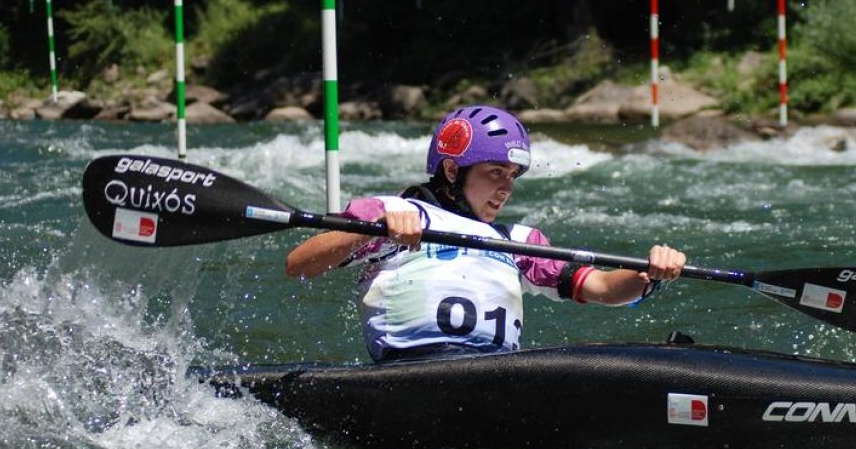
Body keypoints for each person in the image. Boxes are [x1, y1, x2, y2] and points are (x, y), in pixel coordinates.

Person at [286, 105, 687, 361]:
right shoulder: (396, 212)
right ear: (450, 170)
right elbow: (299, 265)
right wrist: (371, 230)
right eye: (495, 173)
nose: (506, 188)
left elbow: (600, 286)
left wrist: (648, 275)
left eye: (512, 176)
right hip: (409, 369)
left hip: (492, 372)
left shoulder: (520, 241)